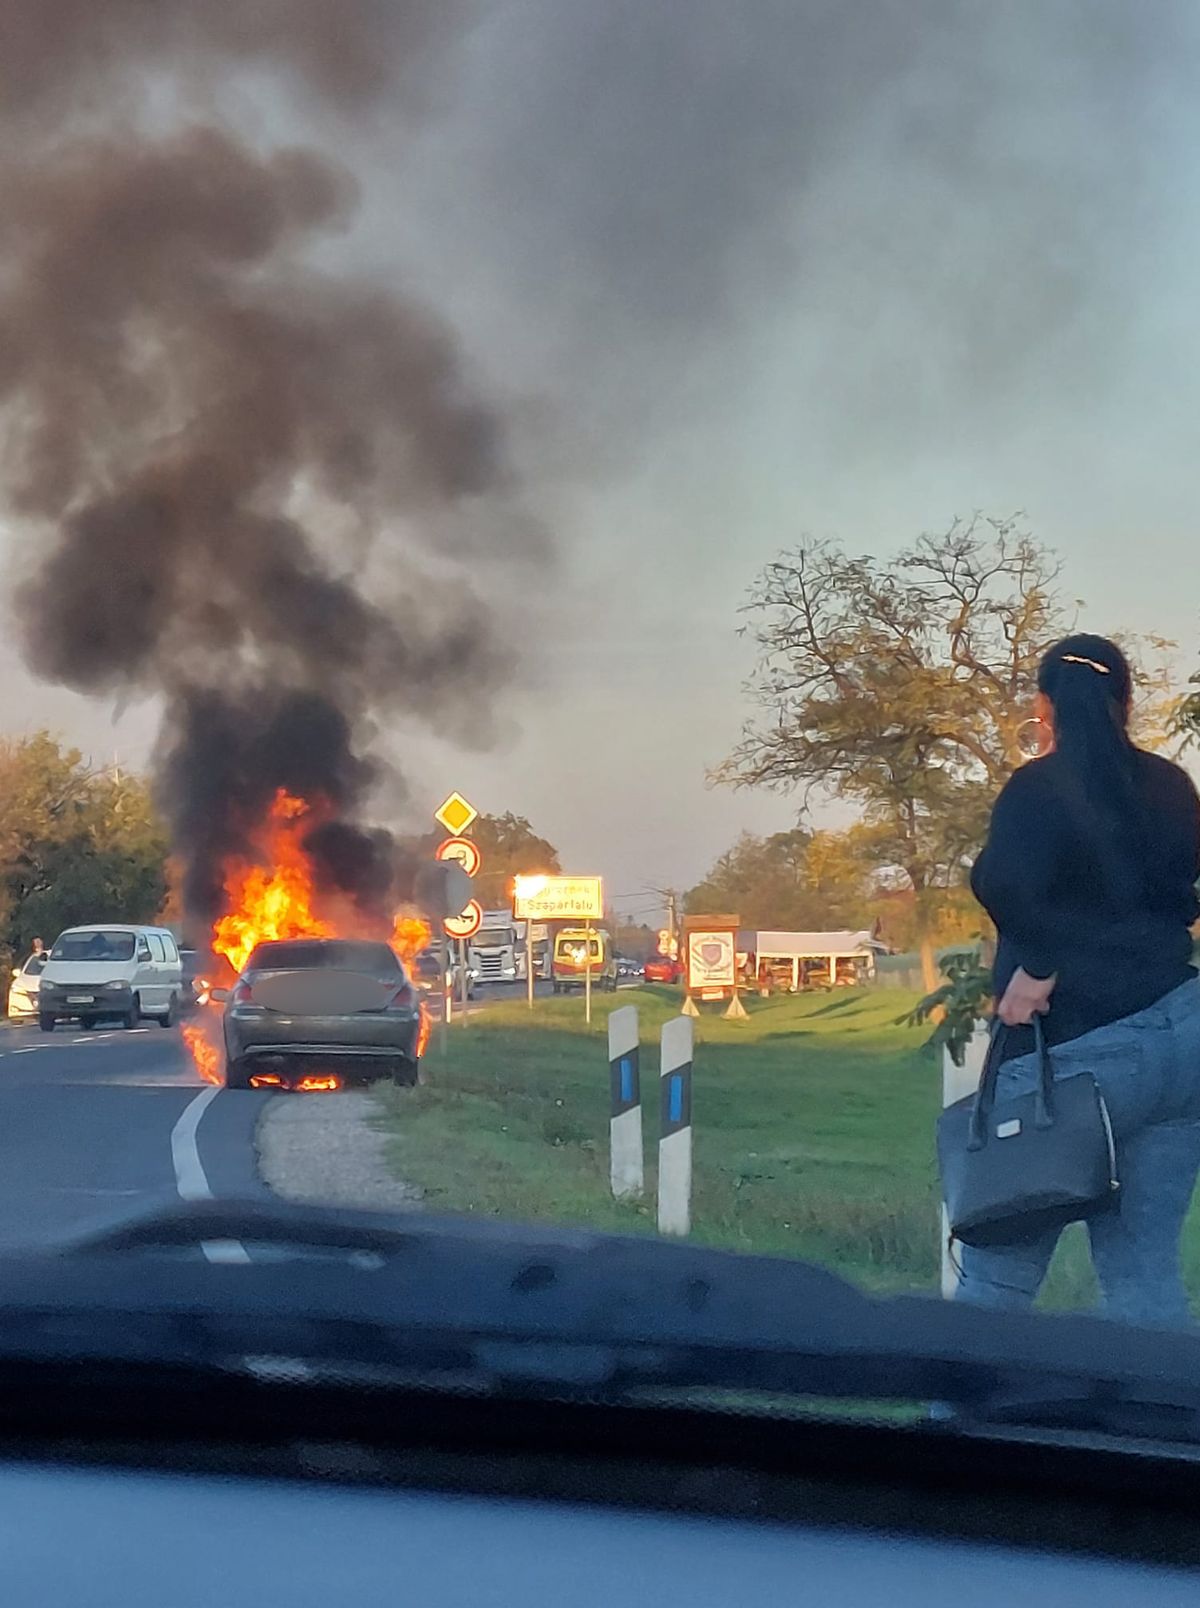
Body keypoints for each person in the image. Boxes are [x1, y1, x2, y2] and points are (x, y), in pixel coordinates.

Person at [962, 632, 1200, 1325]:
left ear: (1045, 704)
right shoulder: (1171, 785)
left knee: (998, 1274)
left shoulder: (1037, 790)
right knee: (1145, 1274)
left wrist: (1037, 966)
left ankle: (959, 1425)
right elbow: (1178, 896)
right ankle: (1163, 1429)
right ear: (1125, 701)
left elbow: (1007, 886)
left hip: (1070, 1050)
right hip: (1180, 1038)